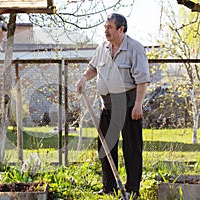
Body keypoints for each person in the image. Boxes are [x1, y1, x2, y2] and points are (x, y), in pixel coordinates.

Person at [76, 13, 150, 199]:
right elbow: (93, 68)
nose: (105, 30)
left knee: (132, 148)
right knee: (106, 147)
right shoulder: (102, 47)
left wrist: (138, 106)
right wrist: (84, 78)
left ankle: (133, 189)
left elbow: (142, 81)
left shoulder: (135, 48)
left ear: (121, 29)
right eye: (105, 27)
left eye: (110, 27)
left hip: (128, 104)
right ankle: (109, 187)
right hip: (107, 105)